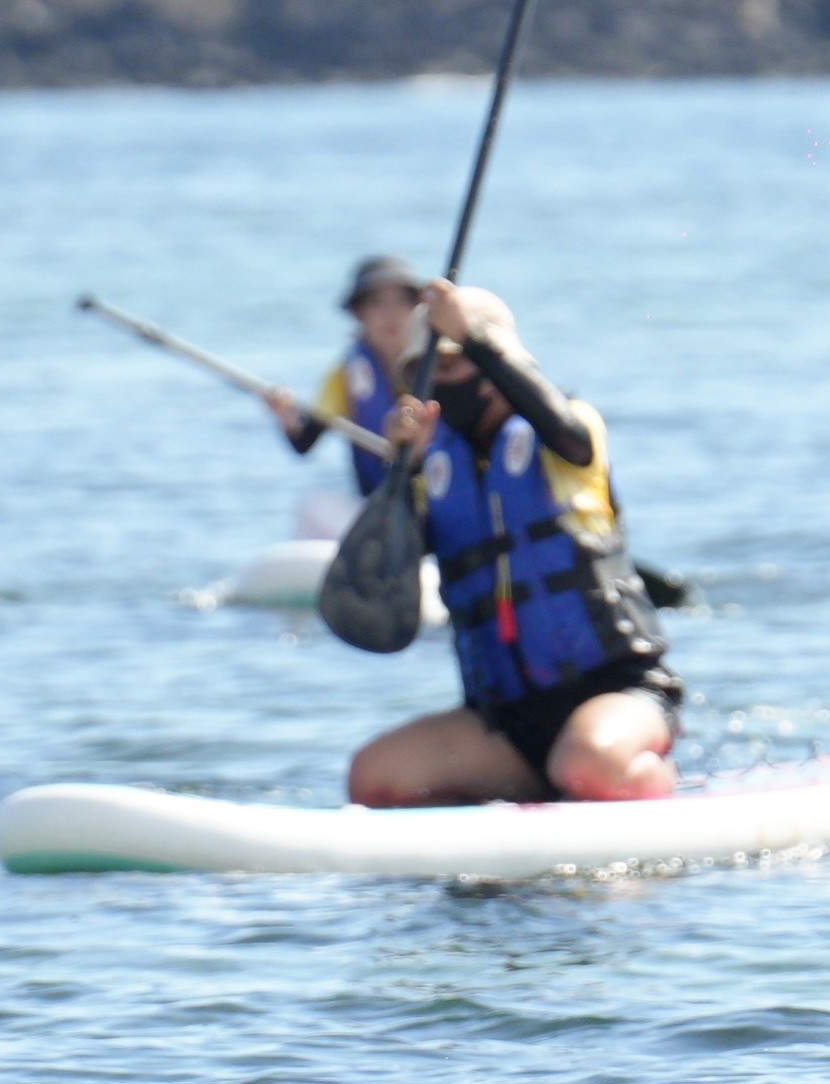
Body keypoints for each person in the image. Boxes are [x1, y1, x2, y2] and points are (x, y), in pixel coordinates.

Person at [344, 283, 680, 805]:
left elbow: (569, 433)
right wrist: (400, 469)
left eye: (454, 366)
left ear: (496, 362)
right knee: (374, 778)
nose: (440, 386)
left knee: (587, 764)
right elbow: (380, 579)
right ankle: (539, 788)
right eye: (427, 375)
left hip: (616, 691)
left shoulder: (565, 432)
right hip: (505, 721)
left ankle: (647, 784)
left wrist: (473, 337)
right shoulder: (431, 470)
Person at [265, 254, 423, 508]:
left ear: (417, 308)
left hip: (436, 503)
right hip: (381, 508)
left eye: (402, 302)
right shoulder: (345, 376)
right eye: (377, 303)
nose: (391, 314)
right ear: (359, 313)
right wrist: (286, 416)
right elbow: (304, 442)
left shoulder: (442, 367)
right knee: (313, 507)